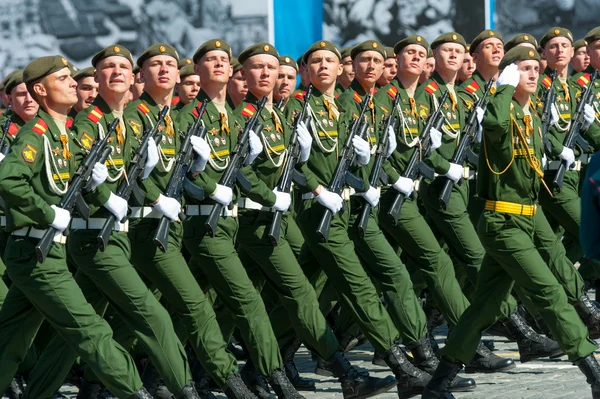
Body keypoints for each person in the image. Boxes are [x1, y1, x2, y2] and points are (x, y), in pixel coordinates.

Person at [18, 44, 207, 399]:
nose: (117, 72)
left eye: (123, 66)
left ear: (132, 76)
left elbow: (134, 178)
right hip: (94, 238)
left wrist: (179, 172)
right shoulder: (88, 126)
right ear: (96, 79)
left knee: (74, 335)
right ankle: (184, 391)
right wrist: (106, 195)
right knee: (152, 317)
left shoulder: (126, 126)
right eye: (108, 68)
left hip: (116, 236)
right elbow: (74, 183)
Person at [422, 46, 600, 399]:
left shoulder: (528, 112)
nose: (534, 74)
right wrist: (501, 88)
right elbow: (493, 125)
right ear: (509, 75)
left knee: (483, 308)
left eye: (537, 68)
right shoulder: (501, 110)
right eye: (525, 69)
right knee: (549, 293)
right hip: (502, 221)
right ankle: (593, 372)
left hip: (526, 218)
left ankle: (438, 383)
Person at [0, 55, 151, 398]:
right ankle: (134, 392)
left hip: (43, 250)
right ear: (41, 89)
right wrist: (47, 214)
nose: (73, 83)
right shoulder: (36, 135)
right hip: (37, 250)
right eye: (63, 78)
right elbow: (9, 181)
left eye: (72, 77)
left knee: (9, 340)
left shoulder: (61, 134)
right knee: (90, 329)